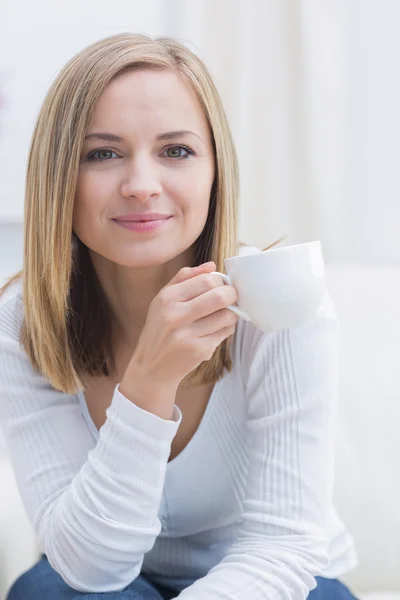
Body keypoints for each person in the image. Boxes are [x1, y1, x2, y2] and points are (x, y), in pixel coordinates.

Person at [0, 33, 359, 599]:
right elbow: (87, 568)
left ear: (216, 172)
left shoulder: (281, 303)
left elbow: (283, 546)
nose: (142, 186)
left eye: (176, 151)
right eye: (103, 153)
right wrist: (147, 383)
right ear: (58, 176)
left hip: (272, 577)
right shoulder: (20, 324)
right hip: (102, 581)